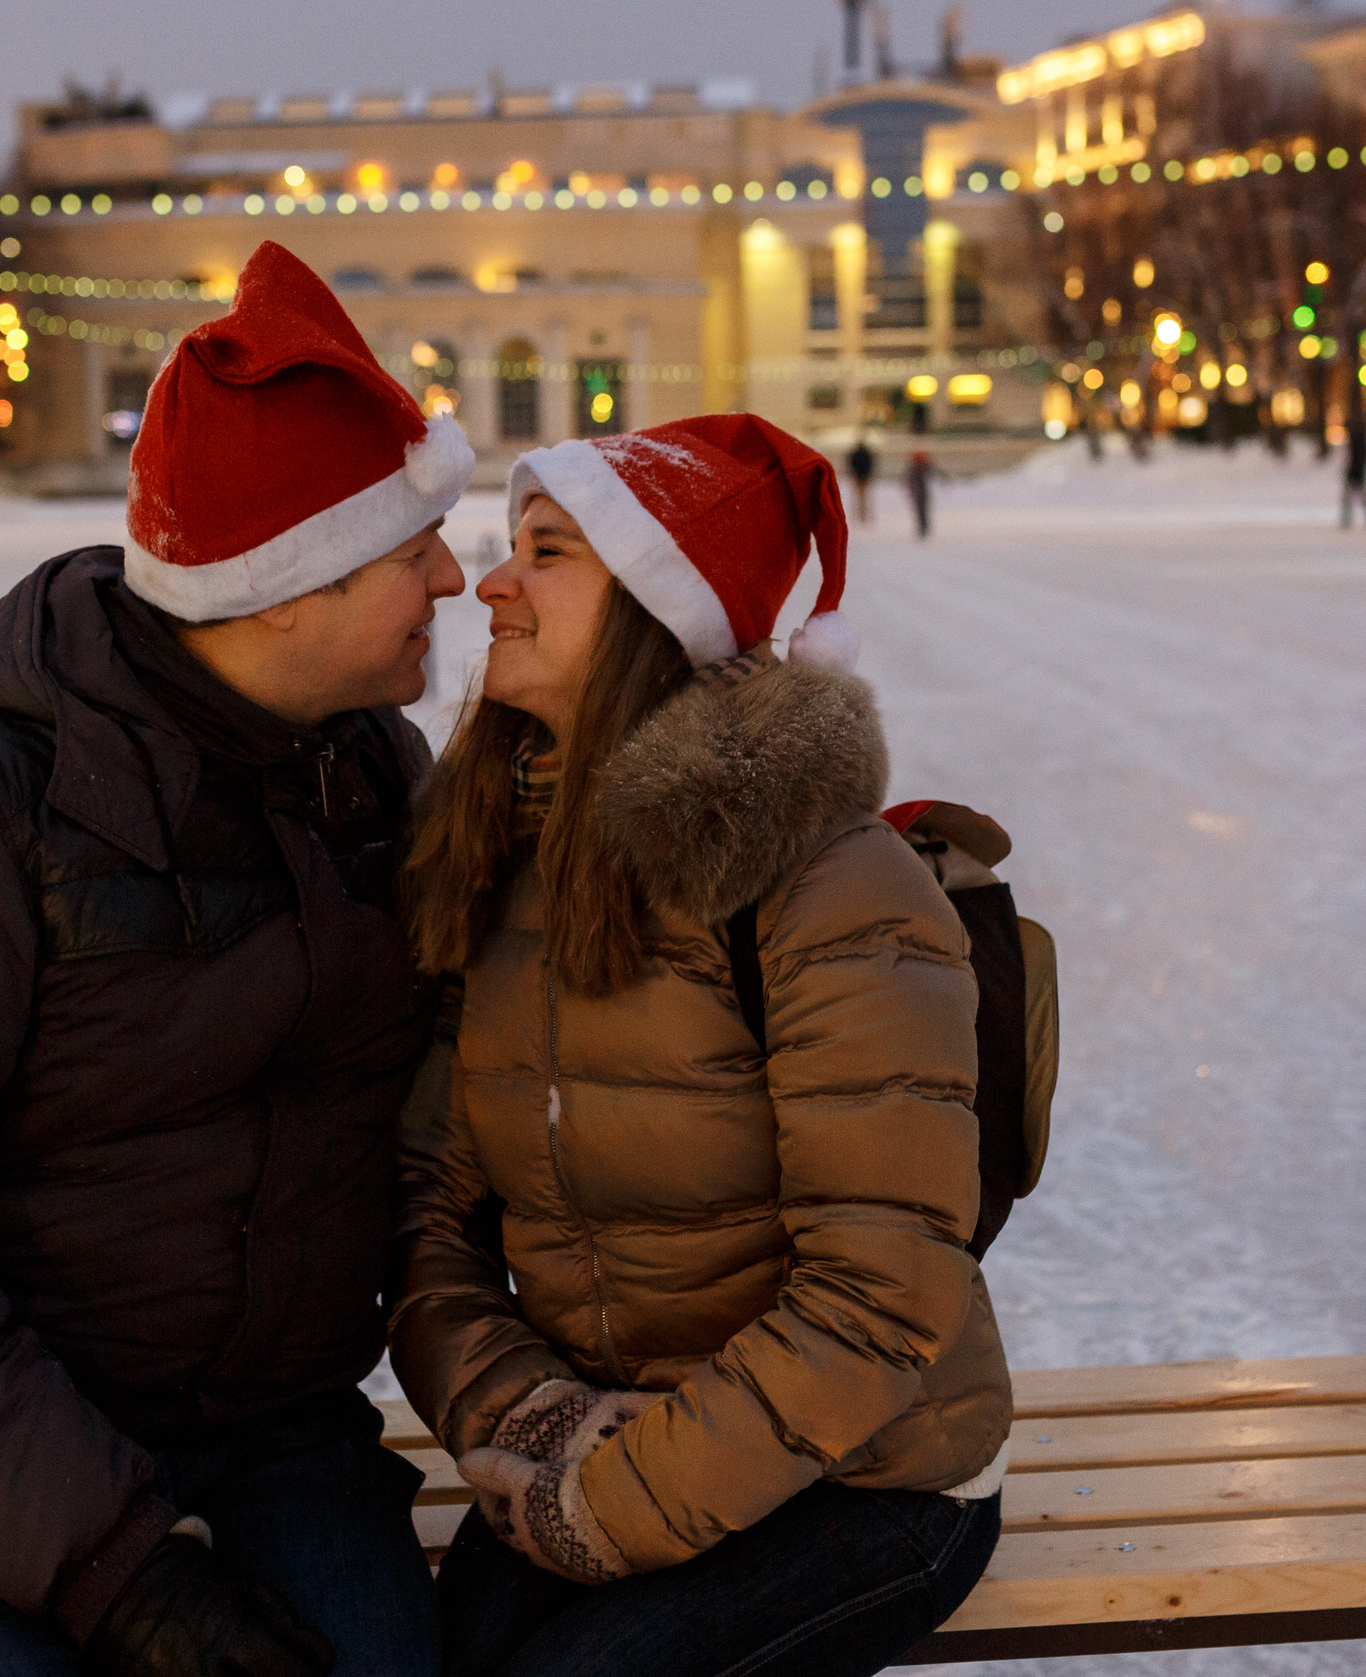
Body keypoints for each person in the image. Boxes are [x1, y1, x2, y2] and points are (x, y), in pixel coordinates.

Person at [0, 242, 471, 1677]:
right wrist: (128, 1578)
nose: (454, 573)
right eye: (409, 550)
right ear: (283, 589)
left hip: (263, 1435)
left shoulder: (371, 778)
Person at [394, 415, 1010, 1677]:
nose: (491, 583)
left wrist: (612, 1508)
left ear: (654, 613)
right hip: (597, 1447)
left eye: (547, 552)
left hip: (870, 1475)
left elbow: (878, 1294)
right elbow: (425, 1216)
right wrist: (529, 1412)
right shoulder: (495, 858)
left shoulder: (829, 883)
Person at [1340, 416, 1366, 529]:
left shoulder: (1357, 439)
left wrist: (1356, 470)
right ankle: (1348, 520)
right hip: (1356, 471)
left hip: (1356, 471)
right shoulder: (1357, 438)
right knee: (1355, 497)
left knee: (1358, 497)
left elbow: (1360, 457)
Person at [903, 447, 940, 540]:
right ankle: (923, 529)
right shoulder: (921, 468)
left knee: (921, 511)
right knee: (922, 511)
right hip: (921, 493)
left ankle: (923, 529)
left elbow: (909, 480)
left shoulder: (916, 468)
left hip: (919, 493)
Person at [845, 432, 877, 525]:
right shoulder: (866, 453)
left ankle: (861, 515)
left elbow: (851, 464)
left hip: (858, 476)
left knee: (859, 497)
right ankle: (862, 515)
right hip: (864, 476)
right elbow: (870, 464)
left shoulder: (855, 453)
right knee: (863, 497)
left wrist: (853, 473)